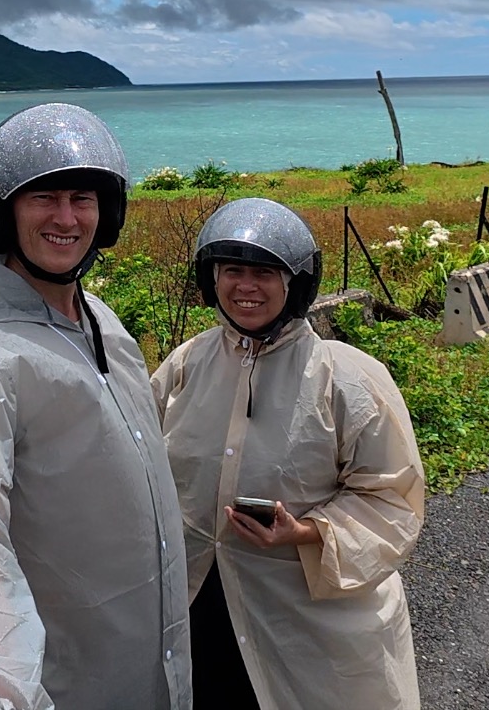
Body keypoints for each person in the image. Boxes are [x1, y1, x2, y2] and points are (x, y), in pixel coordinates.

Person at [0, 102, 192, 710]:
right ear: (2, 212)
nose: (66, 217)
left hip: (139, 657)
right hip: (56, 681)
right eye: (43, 198)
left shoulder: (101, 323)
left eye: (83, 198)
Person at [152, 197, 425, 710]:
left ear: (296, 284)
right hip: (200, 601)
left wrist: (305, 532)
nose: (245, 286)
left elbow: (390, 496)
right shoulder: (187, 363)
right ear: (211, 279)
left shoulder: (347, 377)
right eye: (232, 271)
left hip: (305, 617)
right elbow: (143, 466)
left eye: (264, 273)